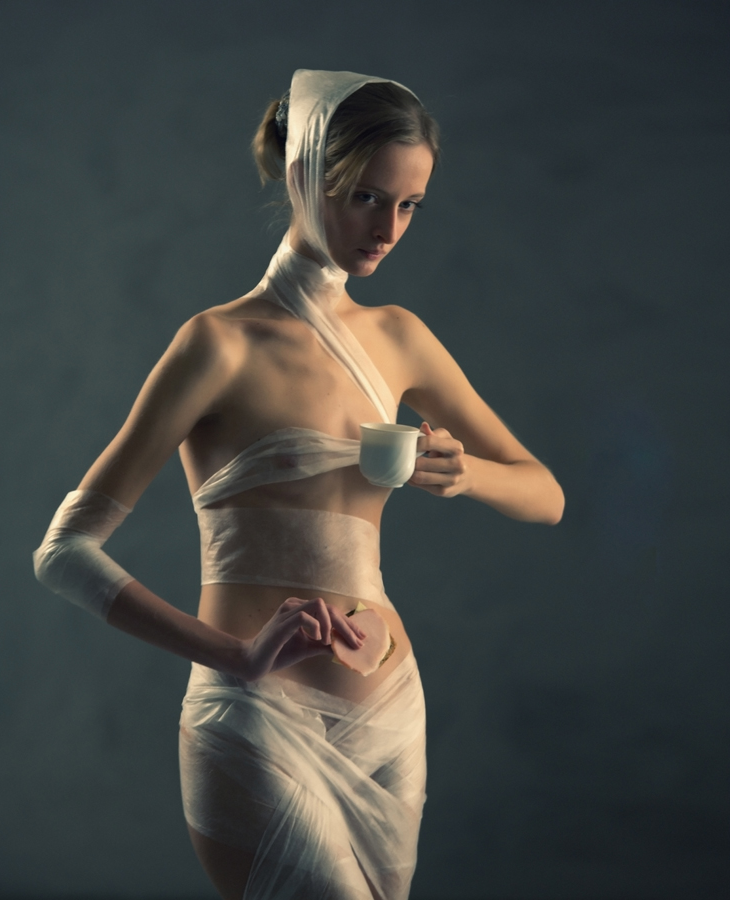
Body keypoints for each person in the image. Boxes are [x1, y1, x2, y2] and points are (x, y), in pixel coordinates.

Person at [34, 69, 564, 900]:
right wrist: (235, 657)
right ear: (302, 177)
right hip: (255, 716)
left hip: (391, 711)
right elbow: (63, 553)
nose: (387, 227)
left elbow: (546, 494)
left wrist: (466, 478)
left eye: (409, 205)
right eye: (364, 197)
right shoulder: (218, 345)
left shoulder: (400, 337)